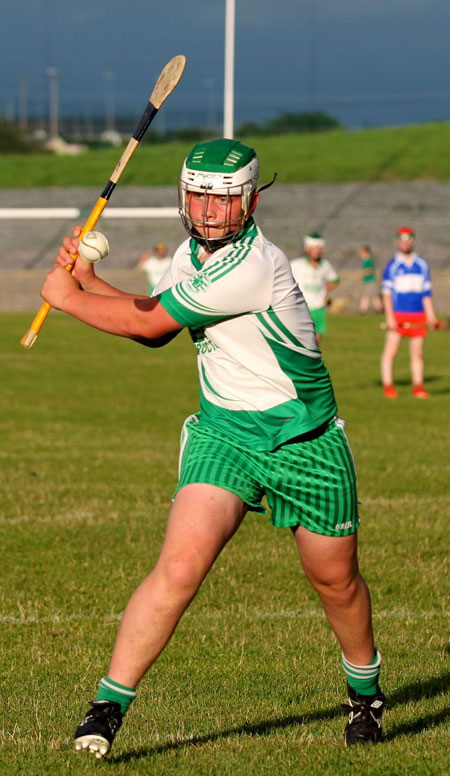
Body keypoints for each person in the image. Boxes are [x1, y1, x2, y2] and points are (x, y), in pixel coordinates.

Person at [41, 138, 385, 757]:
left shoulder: (255, 265)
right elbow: (157, 320)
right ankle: (106, 709)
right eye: (198, 194)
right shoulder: (188, 254)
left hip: (302, 441)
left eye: (224, 199)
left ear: (250, 201)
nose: (208, 210)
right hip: (224, 435)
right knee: (179, 566)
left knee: (336, 583)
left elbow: (149, 325)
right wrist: (90, 283)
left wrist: (68, 299)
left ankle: (365, 692)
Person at [380, 227, 438, 399]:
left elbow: (426, 294)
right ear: (397, 242)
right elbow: (387, 294)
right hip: (398, 314)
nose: (406, 243)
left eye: (409, 240)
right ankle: (388, 386)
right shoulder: (393, 266)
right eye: (403, 240)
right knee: (391, 351)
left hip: (418, 314)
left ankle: (418, 387)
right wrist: (389, 317)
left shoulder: (421, 264)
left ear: (413, 241)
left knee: (418, 353)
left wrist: (431, 316)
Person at [290, 234, 339, 345]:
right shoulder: (296, 265)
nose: (316, 251)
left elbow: (335, 280)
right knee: (300, 341)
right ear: (307, 248)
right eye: (313, 247)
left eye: (319, 248)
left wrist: (325, 291)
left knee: (316, 343)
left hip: (319, 307)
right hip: (302, 307)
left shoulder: (326, 265)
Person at [358, 245, 383, 314]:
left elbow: (370, 270)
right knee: (372, 296)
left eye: (362, 253)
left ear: (367, 252)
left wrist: (363, 272)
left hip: (370, 281)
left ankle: (363, 309)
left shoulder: (369, 261)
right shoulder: (365, 261)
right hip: (366, 281)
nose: (361, 254)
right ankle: (379, 308)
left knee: (369, 296)